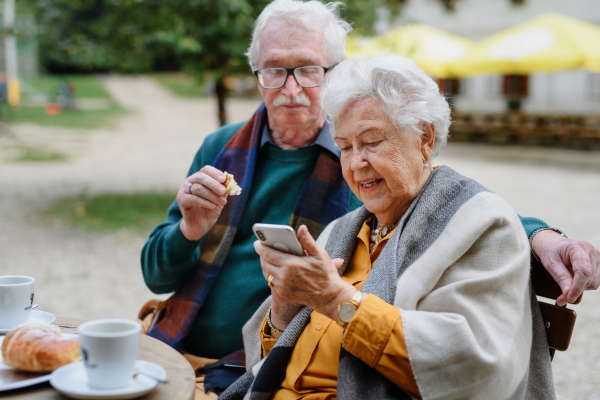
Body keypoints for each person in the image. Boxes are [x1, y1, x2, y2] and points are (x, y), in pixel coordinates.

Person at [140, 0, 600, 395]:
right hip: (184, 340)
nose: (291, 88)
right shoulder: (221, 150)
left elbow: (450, 207)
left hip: (241, 365)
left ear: (332, 72)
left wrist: (540, 235)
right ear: (257, 74)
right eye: (274, 71)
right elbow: (156, 275)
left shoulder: (361, 160)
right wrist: (188, 230)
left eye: (306, 69)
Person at [220, 55, 555, 400]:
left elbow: (473, 365)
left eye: (372, 141)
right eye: (345, 146)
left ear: (424, 137)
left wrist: (336, 300)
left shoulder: (481, 224)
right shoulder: (341, 231)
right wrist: (286, 301)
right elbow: (268, 358)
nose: (355, 163)